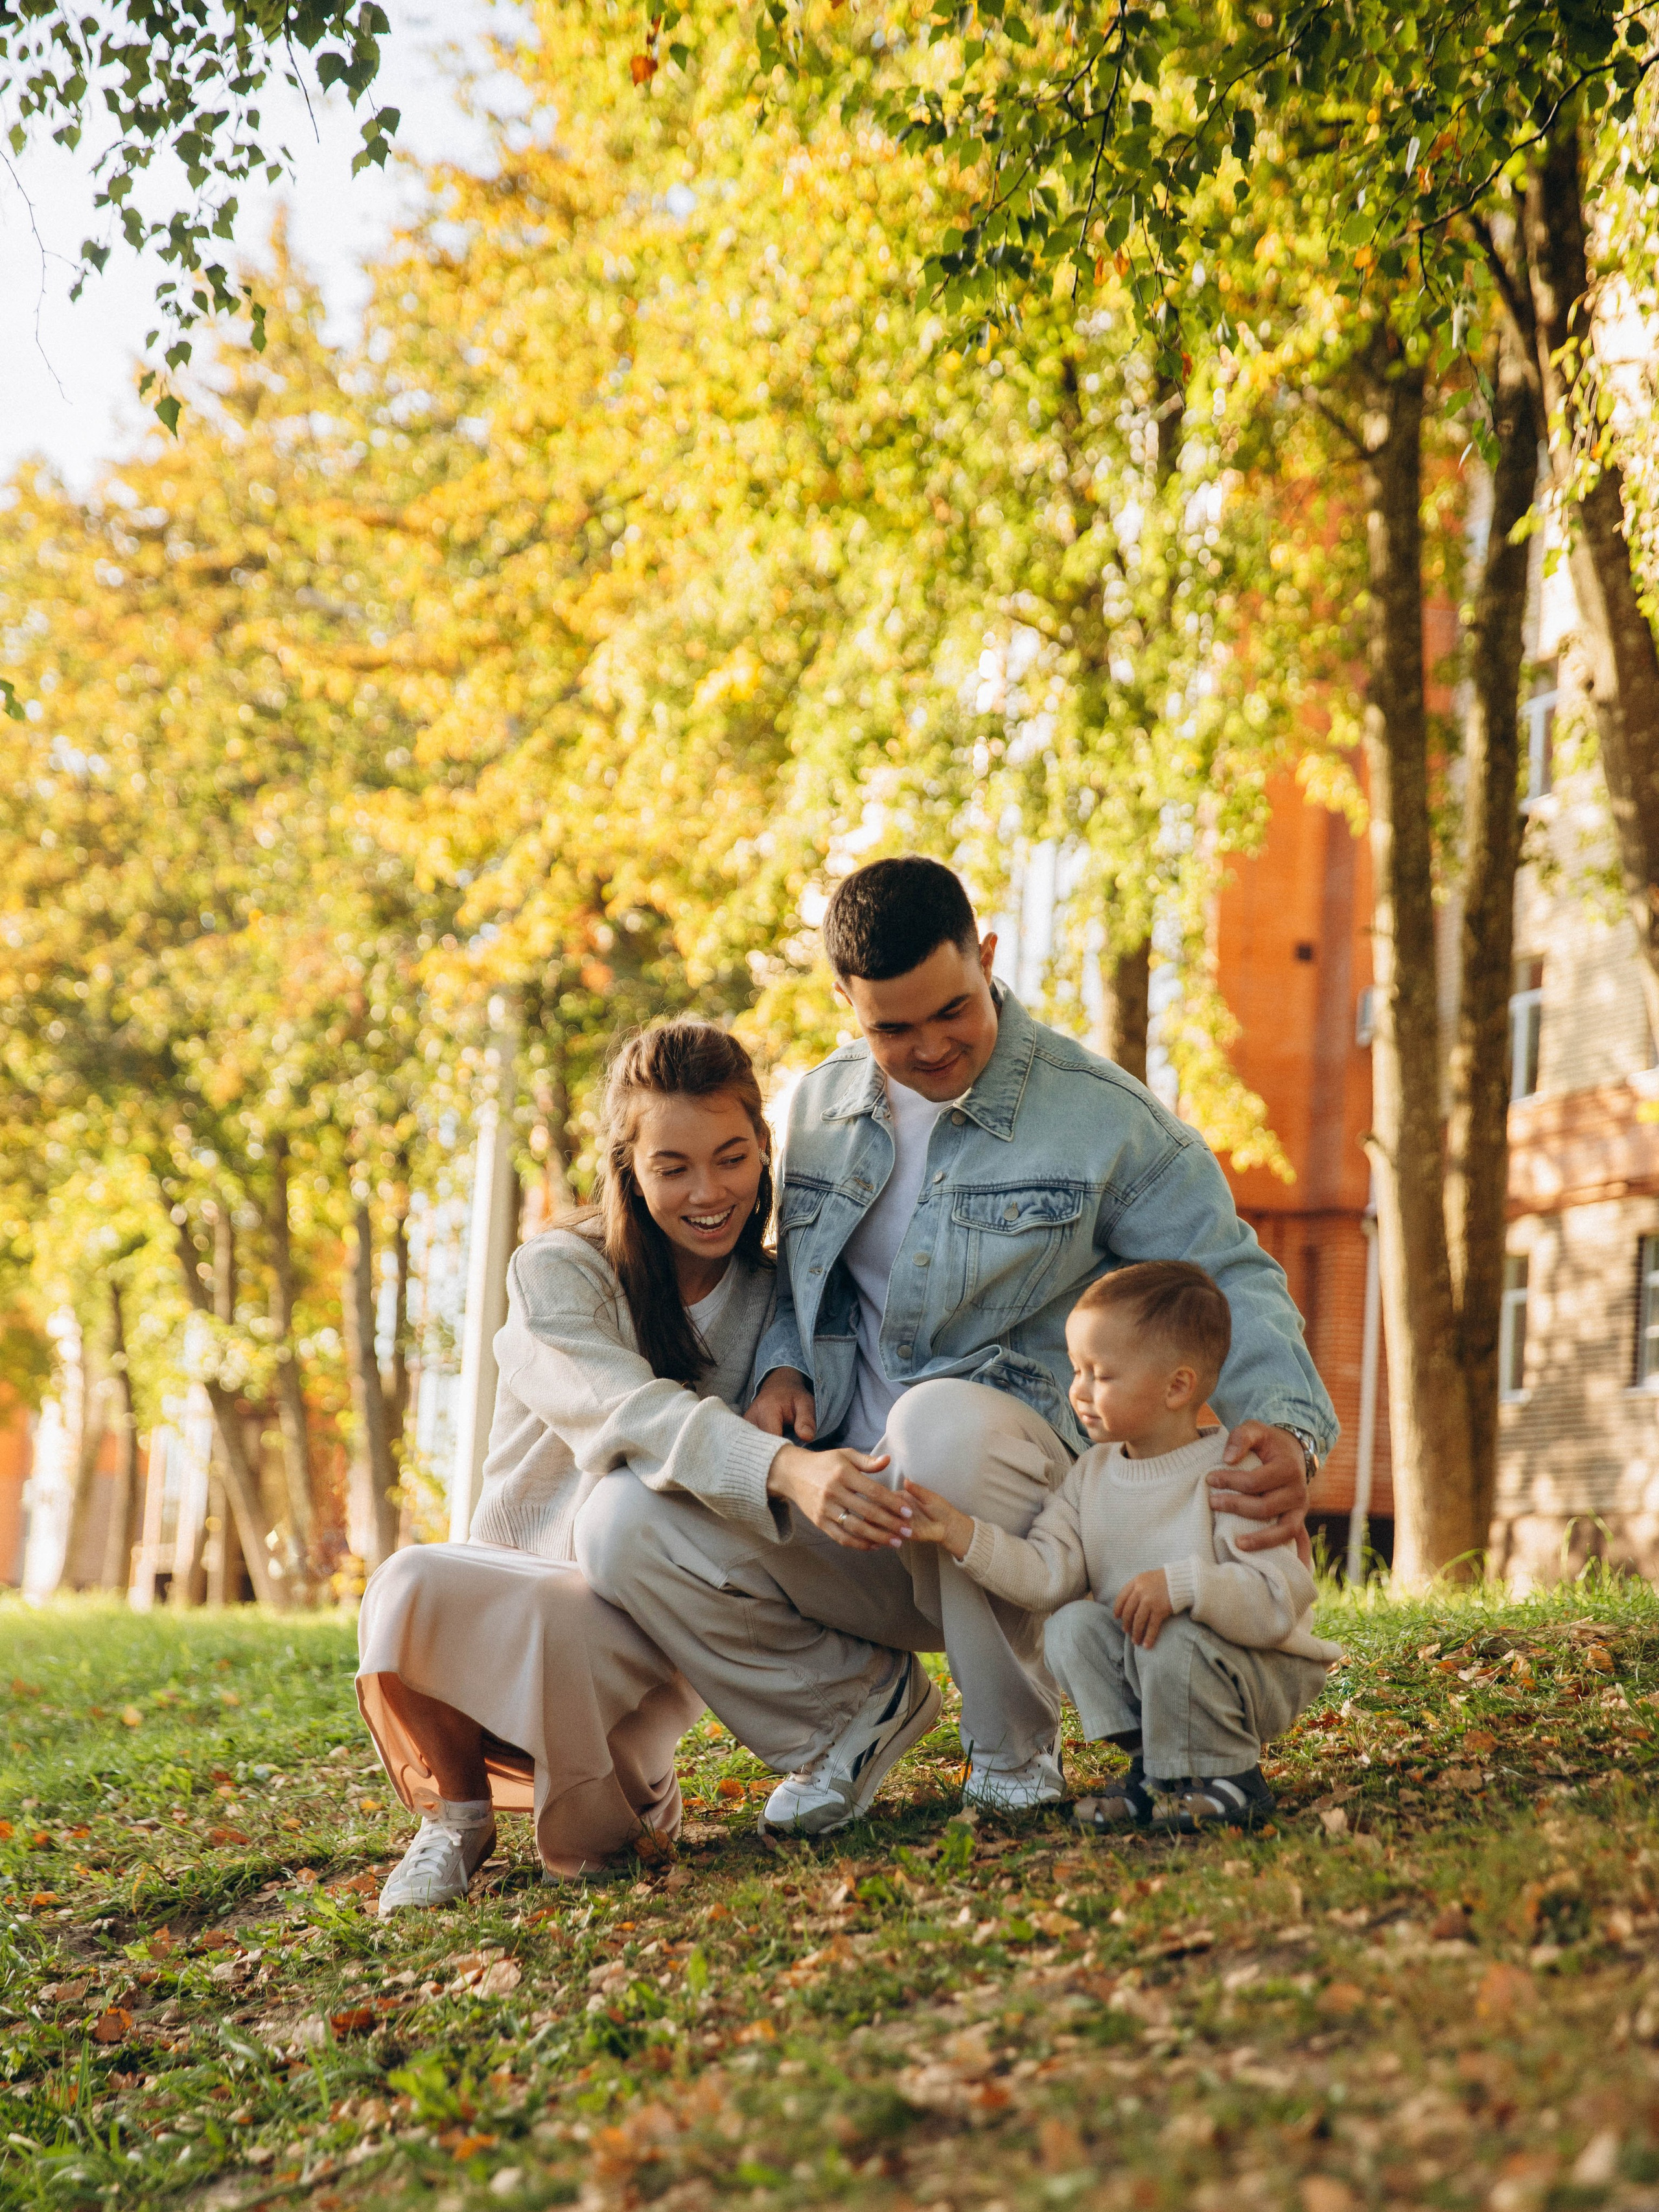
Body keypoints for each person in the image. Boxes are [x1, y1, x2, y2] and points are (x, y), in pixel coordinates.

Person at [576, 856, 1338, 1835]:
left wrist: (1283, 1427)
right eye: (892, 1027)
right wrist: (784, 1364)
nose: (931, 1047)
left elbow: (1229, 1273)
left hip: (1024, 1530)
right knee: (620, 1521)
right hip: (860, 1503)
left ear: (986, 958)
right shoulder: (816, 1109)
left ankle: (1013, 1751)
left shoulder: (1101, 1119)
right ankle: (845, 1716)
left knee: (933, 1419)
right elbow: (803, 1274)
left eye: (953, 1011)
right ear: (847, 1000)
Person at [360, 1017, 892, 1911]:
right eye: (673, 1166)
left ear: (765, 1150)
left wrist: (789, 1370)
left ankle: (635, 1783)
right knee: (410, 1580)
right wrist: (781, 1467)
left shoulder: (778, 1301)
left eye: (731, 1157)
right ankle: (457, 1817)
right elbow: (632, 1415)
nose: (708, 1192)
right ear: (628, 1169)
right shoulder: (557, 1273)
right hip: (527, 1577)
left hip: (654, 1611)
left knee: (602, 1830)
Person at [900, 1261, 1341, 1832]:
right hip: (1162, 1668)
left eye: (1100, 1375)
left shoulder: (1232, 1471)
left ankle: (1231, 1779)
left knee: (1173, 1631)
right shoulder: (1092, 1475)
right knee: (1072, 1625)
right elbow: (1045, 1576)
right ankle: (1156, 1773)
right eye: (1076, 1370)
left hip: (1259, 1669)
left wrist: (1182, 1585)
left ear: (1177, 1386)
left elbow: (1277, 1600)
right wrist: (959, 1531)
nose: (1077, 1391)